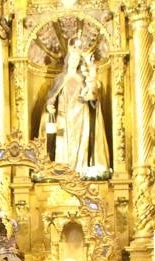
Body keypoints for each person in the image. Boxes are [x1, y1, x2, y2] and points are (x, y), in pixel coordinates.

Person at [43, 37, 109, 173]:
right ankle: (64, 168)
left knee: (81, 140)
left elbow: (93, 94)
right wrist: (49, 106)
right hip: (63, 114)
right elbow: (52, 95)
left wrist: (92, 73)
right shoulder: (60, 78)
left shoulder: (83, 79)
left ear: (79, 61)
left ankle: (81, 167)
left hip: (80, 113)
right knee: (63, 142)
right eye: (72, 58)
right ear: (68, 59)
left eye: (77, 59)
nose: (74, 61)